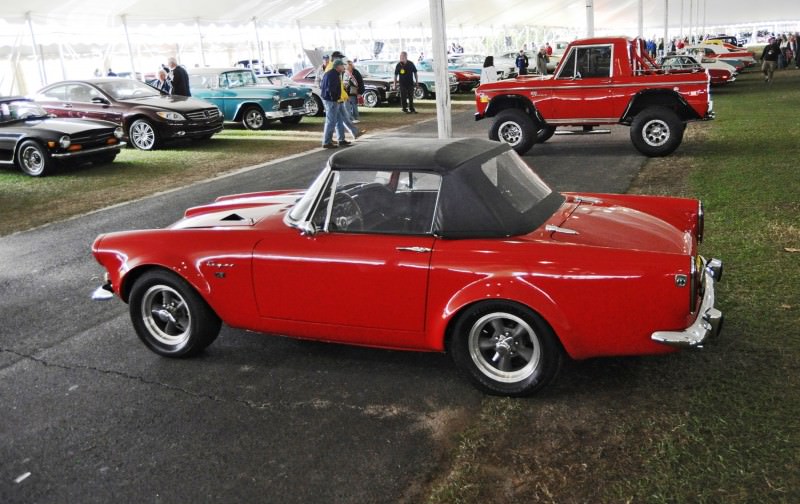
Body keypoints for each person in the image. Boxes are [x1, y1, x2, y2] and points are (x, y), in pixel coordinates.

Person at [320, 59, 362, 148]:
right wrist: (335, 98)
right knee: (331, 121)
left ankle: (341, 140)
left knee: (339, 120)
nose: (344, 67)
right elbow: (330, 89)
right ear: (338, 66)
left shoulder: (334, 74)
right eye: (342, 66)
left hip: (335, 100)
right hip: (332, 101)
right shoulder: (332, 75)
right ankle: (326, 142)